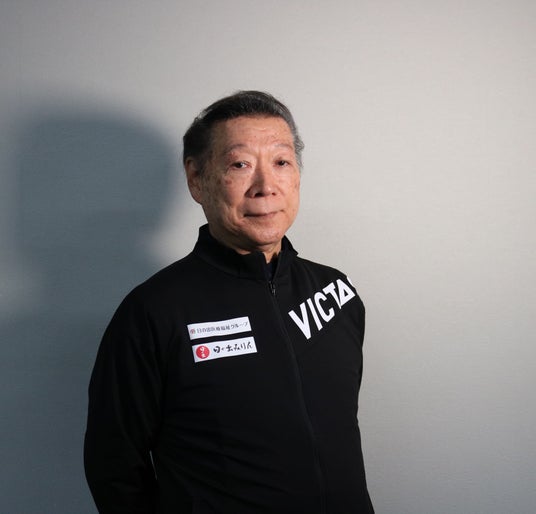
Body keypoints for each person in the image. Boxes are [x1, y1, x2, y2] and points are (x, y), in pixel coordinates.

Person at [84, 90, 374, 514]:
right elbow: (114, 469)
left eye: (281, 162)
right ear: (196, 179)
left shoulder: (336, 293)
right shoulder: (153, 312)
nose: (265, 187)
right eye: (240, 165)